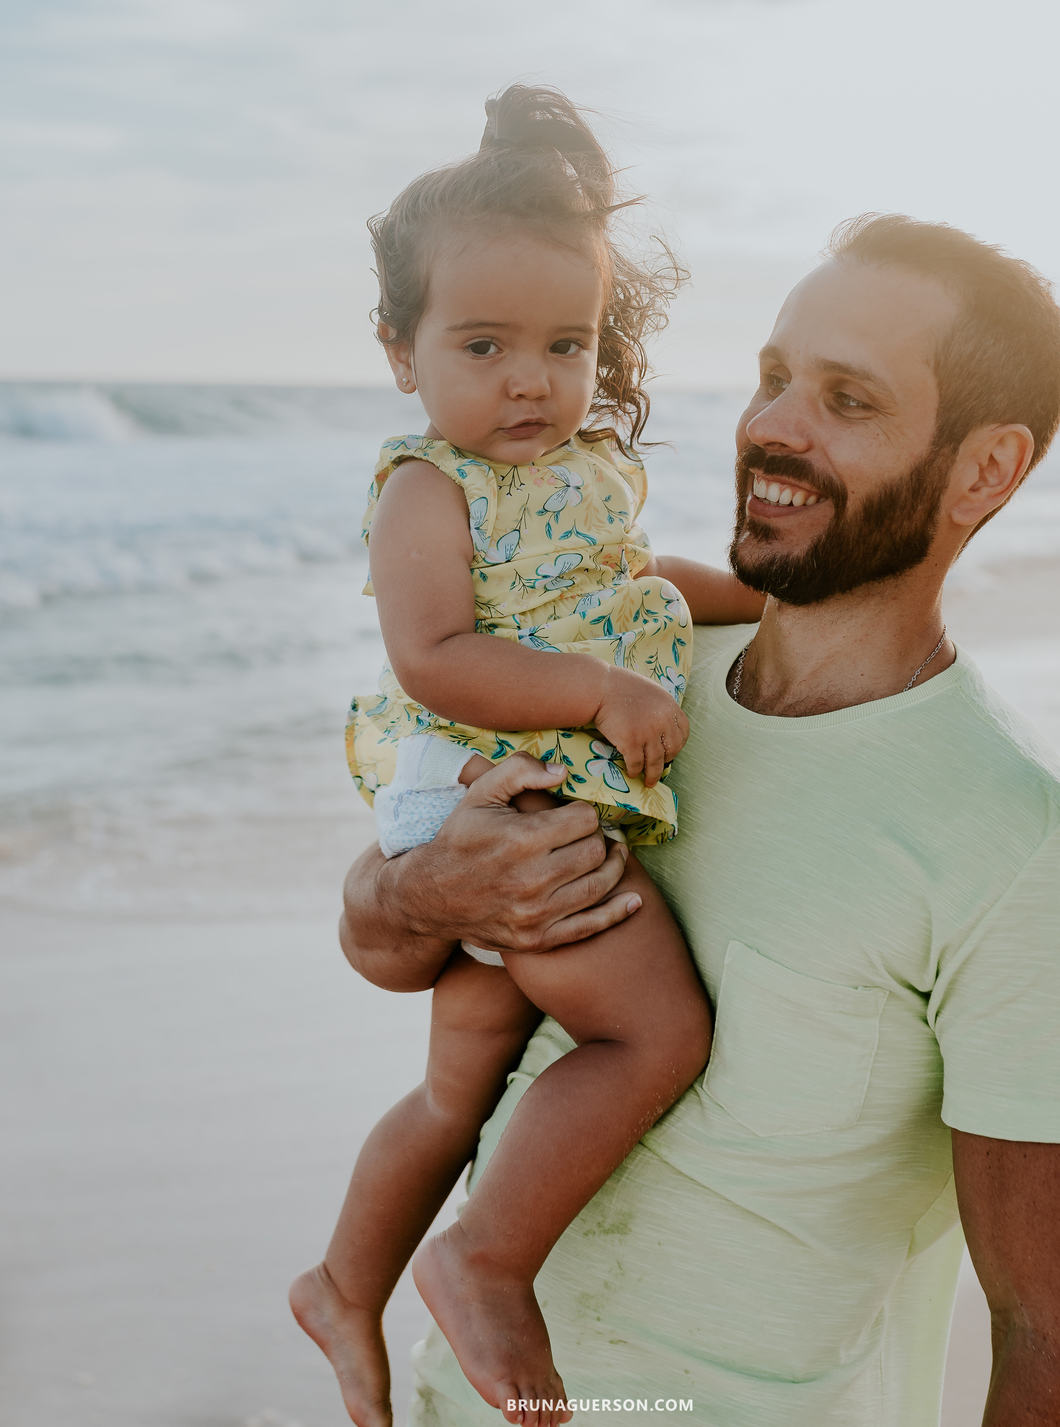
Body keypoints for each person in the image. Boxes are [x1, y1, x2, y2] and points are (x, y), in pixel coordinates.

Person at [339, 213, 1060, 1427]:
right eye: (775, 377)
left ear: (985, 468)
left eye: (847, 398)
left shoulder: (1039, 858)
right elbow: (384, 940)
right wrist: (420, 894)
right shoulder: (629, 674)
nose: (774, 425)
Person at [290, 86, 764, 1427]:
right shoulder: (428, 490)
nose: (529, 379)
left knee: (460, 1084)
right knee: (650, 1030)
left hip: (526, 769)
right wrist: (599, 691)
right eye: (485, 344)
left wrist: (770, 603)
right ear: (401, 350)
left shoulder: (584, 470)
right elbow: (435, 653)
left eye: (566, 343)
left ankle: (341, 1282)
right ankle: (488, 1259)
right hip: (482, 784)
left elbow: (636, 581)